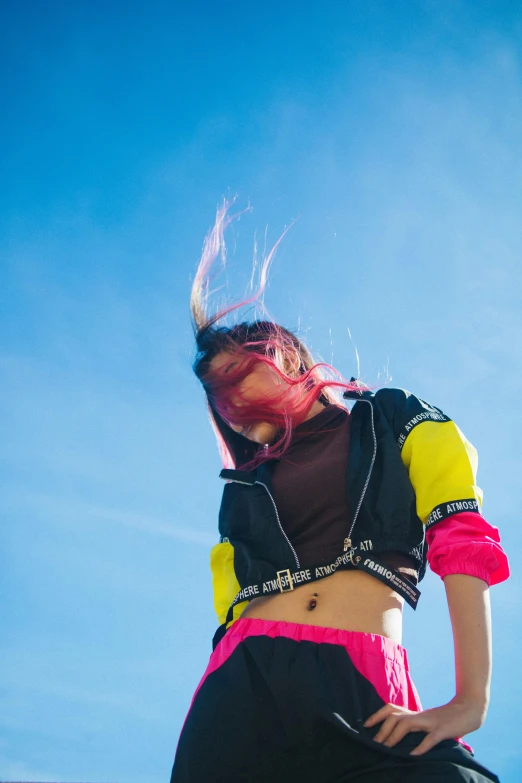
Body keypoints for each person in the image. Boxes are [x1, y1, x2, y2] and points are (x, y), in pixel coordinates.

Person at [169, 202, 509, 782]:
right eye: (216, 397)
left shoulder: (397, 420)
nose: (228, 403)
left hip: (360, 676)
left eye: (234, 377)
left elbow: (463, 539)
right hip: (239, 689)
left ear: (282, 356)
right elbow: (229, 611)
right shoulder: (244, 488)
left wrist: (470, 700)